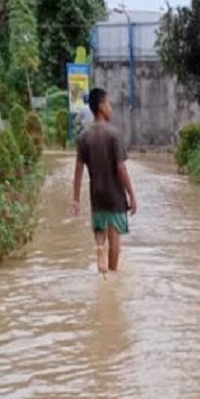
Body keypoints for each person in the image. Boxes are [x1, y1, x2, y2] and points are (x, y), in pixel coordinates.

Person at [70, 88, 137, 274]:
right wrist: (132, 195)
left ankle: (100, 249)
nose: (111, 108)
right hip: (115, 195)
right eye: (109, 104)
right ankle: (112, 273)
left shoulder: (84, 137)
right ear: (101, 107)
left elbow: (78, 169)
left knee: (100, 229)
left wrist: (75, 199)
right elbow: (121, 168)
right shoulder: (114, 134)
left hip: (96, 194)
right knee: (114, 237)